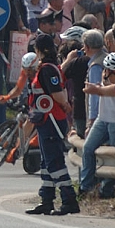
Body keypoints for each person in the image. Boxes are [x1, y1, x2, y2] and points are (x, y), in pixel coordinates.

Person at [25, 34, 79, 216]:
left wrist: (63, 104)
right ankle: (46, 200)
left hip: (51, 121)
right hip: (45, 121)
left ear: (38, 50)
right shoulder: (50, 68)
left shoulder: (47, 70)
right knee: (46, 163)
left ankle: (69, 200)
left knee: (55, 162)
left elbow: (57, 94)